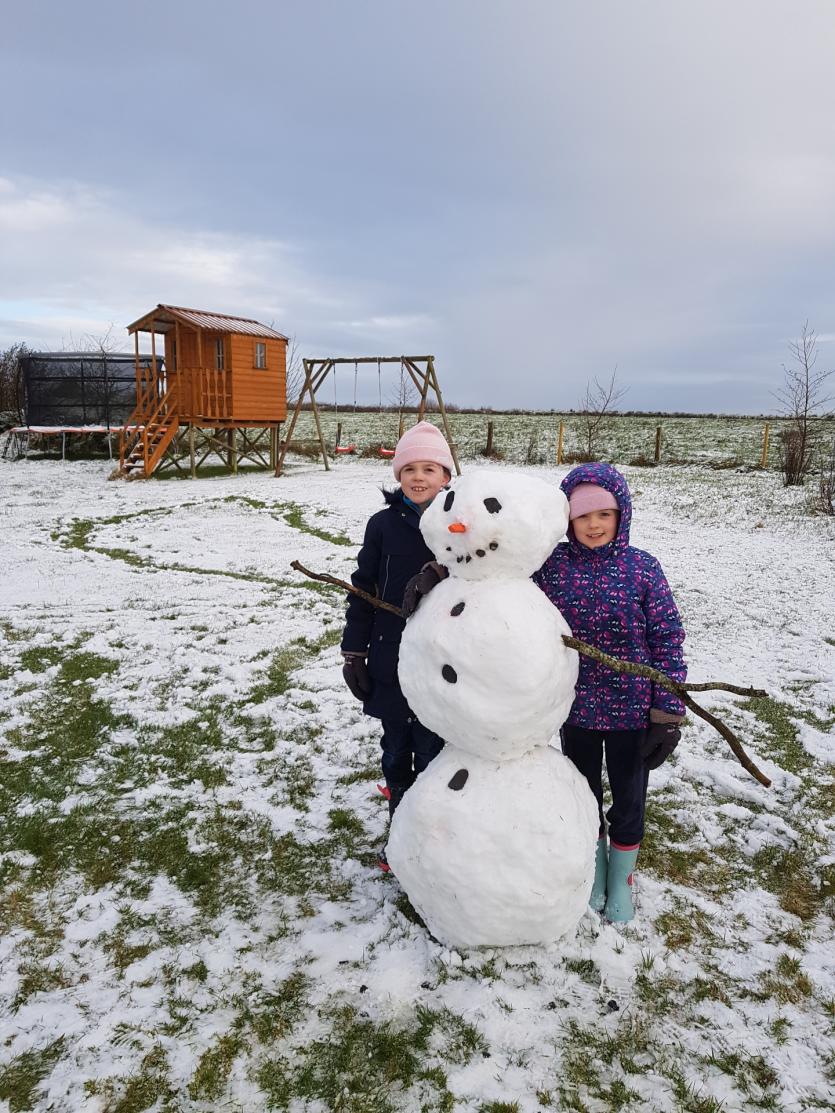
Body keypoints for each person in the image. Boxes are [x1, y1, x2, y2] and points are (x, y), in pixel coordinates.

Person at [533, 462, 686, 923]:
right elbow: (504, 587)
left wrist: (667, 714)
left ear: (622, 515)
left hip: (632, 713)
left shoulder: (642, 568)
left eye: (604, 514)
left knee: (628, 798)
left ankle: (620, 878)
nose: (594, 525)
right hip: (574, 710)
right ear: (567, 520)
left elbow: (667, 638)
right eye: (582, 517)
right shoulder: (552, 567)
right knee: (582, 796)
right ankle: (593, 868)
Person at [340, 421, 453, 864]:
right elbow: (363, 587)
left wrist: (438, 573)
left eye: (430, 468)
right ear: (398, 475)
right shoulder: (382, 525)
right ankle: (400, 837)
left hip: (439, 661)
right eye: (410, 468)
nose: (419, 477)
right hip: (390, 657)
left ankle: (431, 842)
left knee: (431, 751)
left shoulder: (456, 525)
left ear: (446, 477)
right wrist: (355, 651)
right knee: (394, 752)